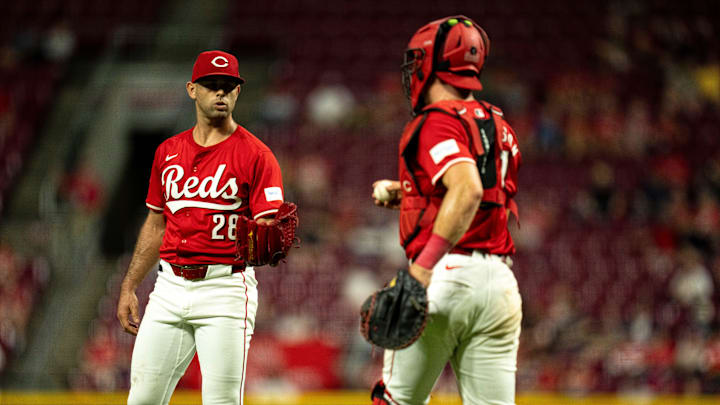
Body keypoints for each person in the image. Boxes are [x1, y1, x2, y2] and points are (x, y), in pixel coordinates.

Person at [116, 50, 287, 405]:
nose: (221, 93)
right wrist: (130, 285)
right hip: (168, 287)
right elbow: (155, 222)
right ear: (192, 90)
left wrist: (267, 230)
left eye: (228, 86)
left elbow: (269, 222)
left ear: (238, 92)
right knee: (142, 399)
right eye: (212, 85)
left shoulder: (257, 155)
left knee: (222, 401)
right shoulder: (168, 151)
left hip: (224, 288)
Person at [370, 16, 523, 405]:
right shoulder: (499, 123)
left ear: (429, 63)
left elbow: (468, 190)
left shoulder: (436, 121)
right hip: (499, 284)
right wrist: (407, 194)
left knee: (394, 401)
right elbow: (483, 196)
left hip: (445, 276)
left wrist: (422, 269)